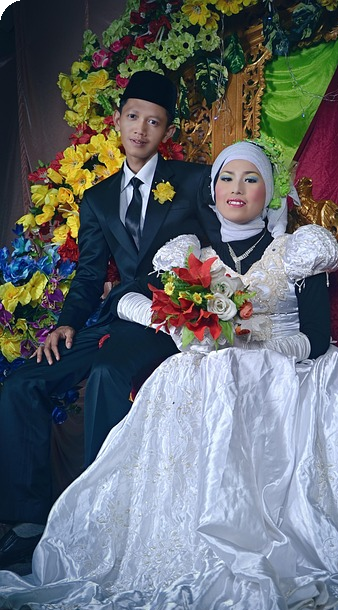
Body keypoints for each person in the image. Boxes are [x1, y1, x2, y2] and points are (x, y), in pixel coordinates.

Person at [1, 141, 338, 610]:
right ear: (213, 189)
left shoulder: (297, 250)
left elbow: (315, 336)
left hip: (285, 371)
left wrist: (266, 353)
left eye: (250, 178)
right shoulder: (189, 254)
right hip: (208, 370)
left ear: (268, 192)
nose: (236, 188)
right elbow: (126, 300)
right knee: (190, 389)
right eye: (227, 178)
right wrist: (173, 325)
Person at [0, 70, 212, 568]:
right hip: (117, 318)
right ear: (118, 121)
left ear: (167, 131)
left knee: (105, 372)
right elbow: (91, 273)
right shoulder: (97, 198)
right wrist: (67, 323)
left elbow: (219, 246)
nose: (141, 128)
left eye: (154, 122)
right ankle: (28, 522)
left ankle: (101, 516)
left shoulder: (194, 180)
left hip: (170, 322)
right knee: (23, 382)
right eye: (133, 117)